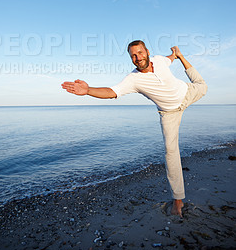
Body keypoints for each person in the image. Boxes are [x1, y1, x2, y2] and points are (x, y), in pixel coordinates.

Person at [62, 41, 207, 217]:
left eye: (140, 52)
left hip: (187, 92)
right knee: (170, 153)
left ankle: (183, 55)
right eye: (133, 55)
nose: (138, 57)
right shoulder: (133, 79)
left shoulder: (160, 60)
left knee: (203, 86)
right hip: (169, 113)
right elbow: (112, 91)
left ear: (147, 52)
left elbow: (170, 59)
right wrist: (88, 90)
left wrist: (177, 55)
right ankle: (178, 200)